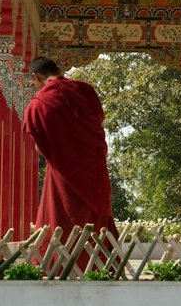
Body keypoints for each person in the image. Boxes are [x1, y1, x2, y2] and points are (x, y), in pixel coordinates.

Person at [23, 57, 116, 239]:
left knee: (60, 227)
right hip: (94, 172)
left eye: (33, 82)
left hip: (62, 176)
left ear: (36, 76)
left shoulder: (40, 102)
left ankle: (57, 267)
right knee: (95, 229)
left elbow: (40, 148)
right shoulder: (85, 90)